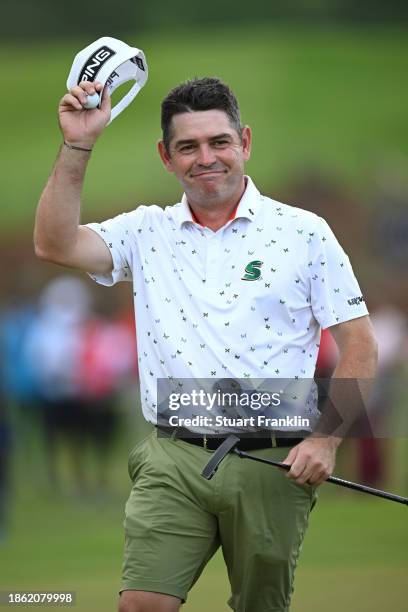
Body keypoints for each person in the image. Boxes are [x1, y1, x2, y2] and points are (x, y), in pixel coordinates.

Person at [34, 76, 378, 612]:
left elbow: (361, 347)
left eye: (218, 142)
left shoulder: (305, 232)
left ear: (244, 142)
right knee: (141, 605)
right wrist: (79, 143)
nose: (205, 158)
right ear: (166, 157)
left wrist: (326, 439)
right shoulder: (146, 230)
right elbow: (54, 244)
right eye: (187, 147)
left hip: (274, 458)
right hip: (173, 455)